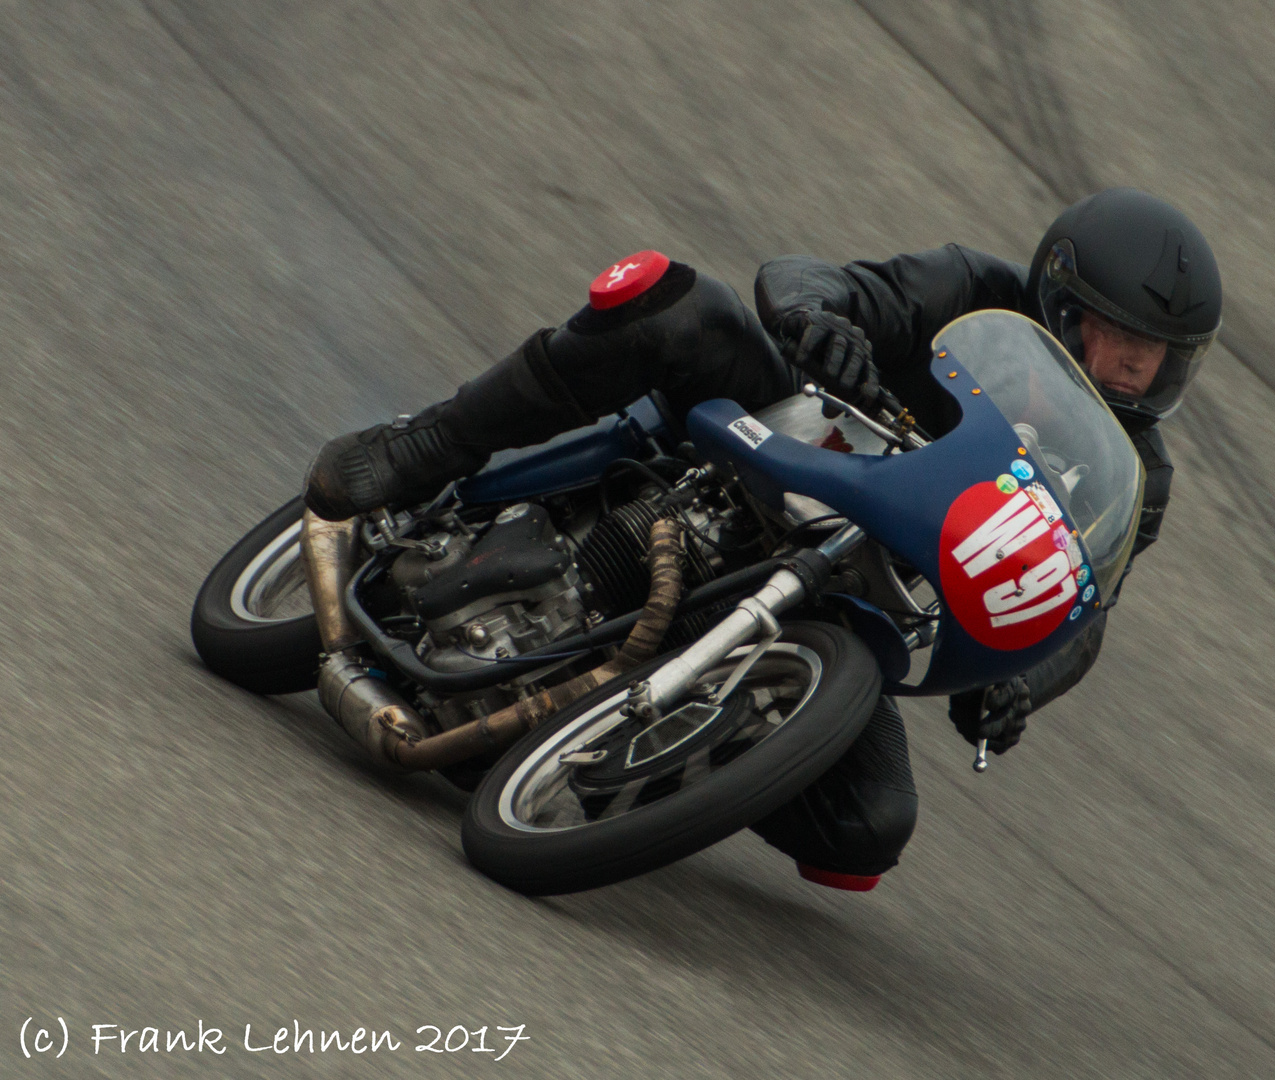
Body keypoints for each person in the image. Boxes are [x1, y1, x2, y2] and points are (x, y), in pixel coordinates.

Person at [304, 187, 1222, 889]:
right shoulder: (971, 291)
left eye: (1164, 362)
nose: (1144, 378)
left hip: (861, 591)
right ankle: (425, 445)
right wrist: (817, 325)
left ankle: (619, 765)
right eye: (1130, 351)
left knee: (868, 828)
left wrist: (1021, 677)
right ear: (1064, 308)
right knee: (674, 306)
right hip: (780, 444)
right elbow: (813, 278)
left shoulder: (1132, 475)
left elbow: (1087, 609)